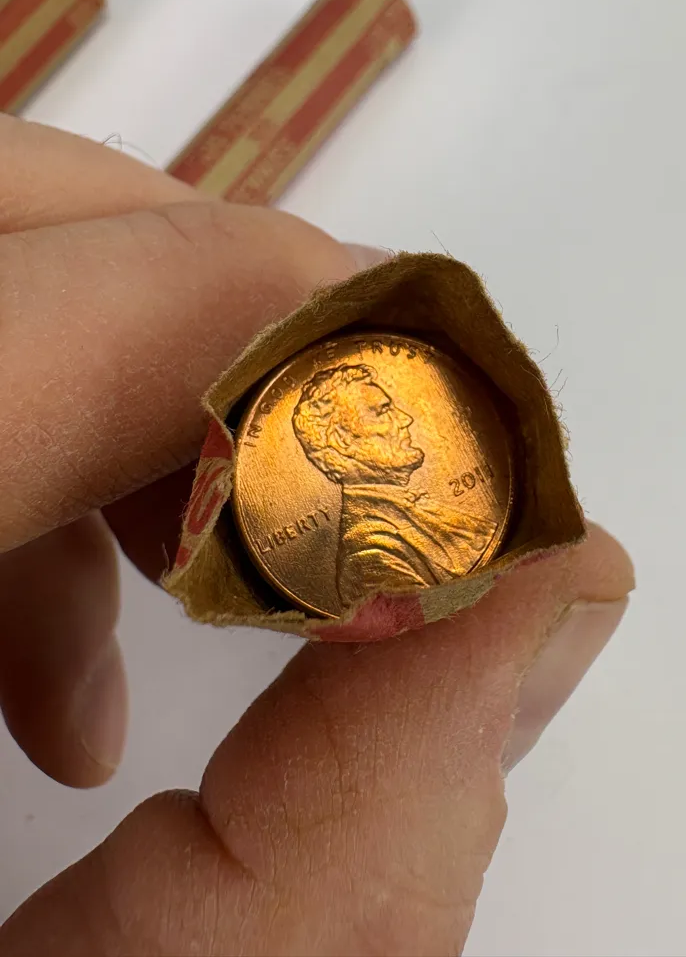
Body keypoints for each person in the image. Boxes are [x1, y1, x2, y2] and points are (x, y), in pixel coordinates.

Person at [0, 114, 633, 956]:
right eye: (374, 410)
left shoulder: (438, 524)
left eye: (390, 401)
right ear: (331, 450)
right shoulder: (362, 554)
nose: (404, 420)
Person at [292, 363, 498, 605]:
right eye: (383, 411)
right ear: (342, 440)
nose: (405, 419)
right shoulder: (368, 558)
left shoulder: (414, 510)